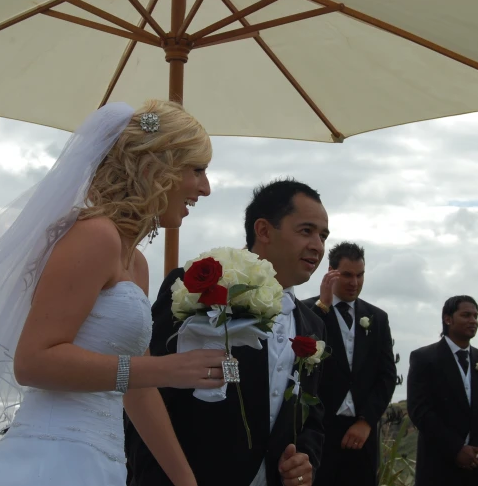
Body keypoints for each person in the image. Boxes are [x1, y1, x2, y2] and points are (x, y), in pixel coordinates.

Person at [0, 101, 227, 486]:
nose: (205, 188)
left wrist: (185, 481)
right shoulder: (94, 235)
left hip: (102, 466)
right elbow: (33, 362)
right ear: (156, 167)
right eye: (198, 170)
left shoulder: (136, 264)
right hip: (51, 460)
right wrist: (165, 369)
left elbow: (136, 389)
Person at [126, 179, 329, 486]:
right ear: (263, 231)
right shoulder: (197, 287)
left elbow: (310, 418)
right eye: (306, 231)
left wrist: (304, 460)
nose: (318, 245)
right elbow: (145, 387)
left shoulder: (313, 326)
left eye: (323, 236)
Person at [303, 242, 397, 486]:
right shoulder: (307, 311)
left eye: (360, 275)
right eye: (347, 275)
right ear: (331, 271)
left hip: (362, 436)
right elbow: (302, 361)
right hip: (317, 433)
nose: (354, 282)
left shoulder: (377, 318)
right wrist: (322, 308)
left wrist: (366, 421)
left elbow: (386, 376)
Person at [407, 295, 478, 486]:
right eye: (466, 315)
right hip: (437, 466)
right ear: (448, 318)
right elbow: (420, 410)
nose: (473, 321)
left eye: (476, 316)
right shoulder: (424, 358)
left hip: (476, 468)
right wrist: (456, 449)